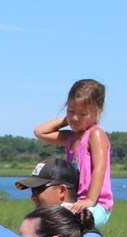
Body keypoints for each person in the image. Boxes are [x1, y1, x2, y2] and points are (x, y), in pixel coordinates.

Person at [35, 79, 114, 228]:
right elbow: (40, 132)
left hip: (97, 205)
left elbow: (99, 168)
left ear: (98, 112)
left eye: (82, 114)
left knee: (65, 224)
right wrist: (67, 120)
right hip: (77, 201)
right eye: (70, 111)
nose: (75, 118)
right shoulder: (71, 137)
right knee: (46, 218)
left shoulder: (95, 134)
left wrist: (90, 200)